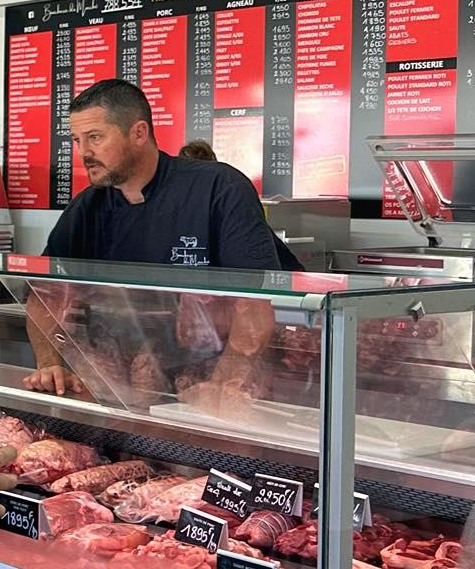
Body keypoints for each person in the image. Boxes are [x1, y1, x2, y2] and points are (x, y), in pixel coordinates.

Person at [25, 78, 287, 400]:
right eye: (77, 140)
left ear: (139, 133)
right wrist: (49, 363)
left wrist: (222, 388)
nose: (84, 152)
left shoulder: (219, 190)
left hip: (220, 369)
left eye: (95, 137)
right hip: (133, 375)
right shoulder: (87, 208)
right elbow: (46, 295)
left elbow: (253, 308)